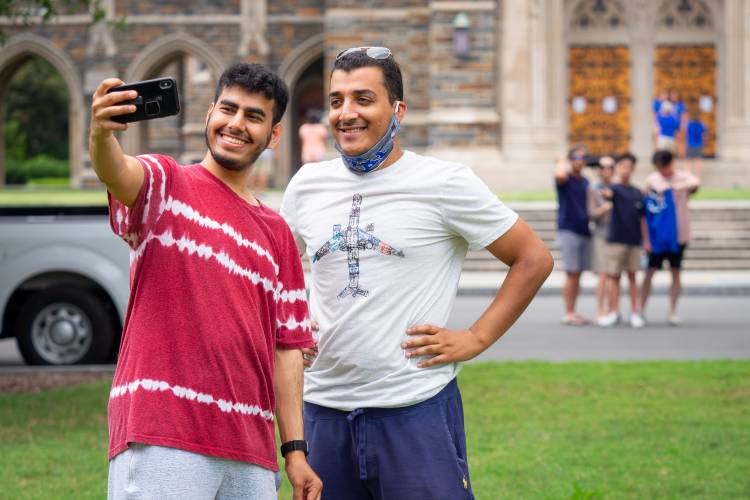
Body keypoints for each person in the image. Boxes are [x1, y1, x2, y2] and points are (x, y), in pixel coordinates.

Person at [280, 46, 553, 499]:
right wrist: (289, 321)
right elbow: (278, 274)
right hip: (322, 411)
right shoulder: (307, 184)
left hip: (414, 408)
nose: (346, 113)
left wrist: (476, 338)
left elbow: (533, 259)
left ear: (398, 110)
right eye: (336, 101)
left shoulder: (443, 183)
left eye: (363, 99)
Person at [90, 64, 322, 499]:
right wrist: (102, 134)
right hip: (164, 431)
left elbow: (288, 349)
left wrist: (295, 451)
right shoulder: (166, 184)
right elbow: (116, 171)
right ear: (210, 114)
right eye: (228, 110)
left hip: (251, 449)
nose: (236, 124)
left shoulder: (278, 234)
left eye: (254, 116)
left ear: (273, 135)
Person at [641, 150, 700, 326]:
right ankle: (641, 311)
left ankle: (672, 312)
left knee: (676, 272)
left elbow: (696, 183)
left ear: (671, 163)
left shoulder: (684, 177)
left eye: (664, 167)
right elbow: (645, 206)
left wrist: (674, 186)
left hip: (679, 235)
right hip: (658, 237)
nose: (662, 171)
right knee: (649, 273)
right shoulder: (653, 179)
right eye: (659, 167)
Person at [597, 153, 646, 328]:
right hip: (615, 240)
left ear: (632, 169)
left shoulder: (637, 192)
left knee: (633, 277)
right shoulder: (614, 189)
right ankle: (614, 312)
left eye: (628, 167)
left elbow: (643, 219)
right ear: (618, 169)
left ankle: (635, 312)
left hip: (633, 241)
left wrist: (645, 241)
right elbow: (607, 193)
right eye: (622, 166)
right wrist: (606, 191)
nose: (625, 170)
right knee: (614, 277)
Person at [555, 145, 592, 325]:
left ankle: (574, 310)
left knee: (578, 274)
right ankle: (568, 312)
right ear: (571, 160)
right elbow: (559, 175)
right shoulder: (565, 179)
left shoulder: (584, 181)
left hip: (584, 230)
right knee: (571, 273)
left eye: (583, 157)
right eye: (576, 157)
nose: (580, 160)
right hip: (568, 230)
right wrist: (561, 160)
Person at [587, 155, 615, 325]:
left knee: (615, 275)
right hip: (601, 235)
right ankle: (600, 311)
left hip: (618, 235)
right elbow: (591, 214)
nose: (606, 170)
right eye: (602, 167)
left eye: (609, 167)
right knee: (603, 274)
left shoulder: (618, 187)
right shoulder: (593, 189)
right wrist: (607, 206)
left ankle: (613, 310)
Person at [685, 110, 706, 177]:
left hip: (690, 144)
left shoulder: (689, 124)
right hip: (699, 144)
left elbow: (686, 132)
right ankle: (697, 176)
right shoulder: (701, 125)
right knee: (698, 161)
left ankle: (688, 176)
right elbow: (704, 135)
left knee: (688, 161)